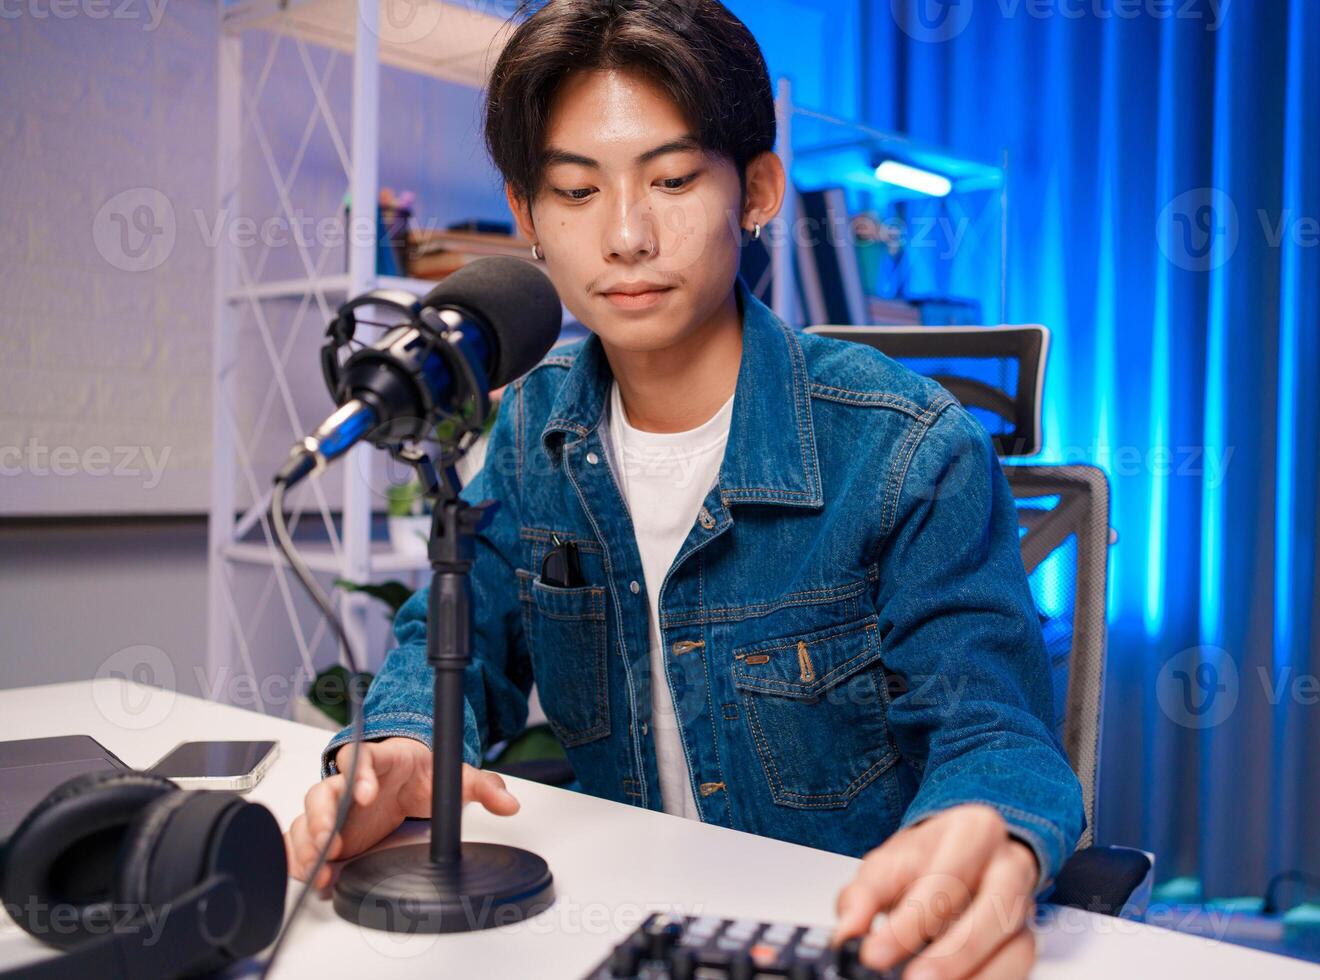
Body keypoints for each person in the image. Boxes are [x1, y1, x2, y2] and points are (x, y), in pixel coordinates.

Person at [284, 2, 1084, 976]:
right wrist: (405, 742)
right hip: (627, 932)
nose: (625, 236)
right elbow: (457, 635)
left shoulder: (910, 449)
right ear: (527, 218)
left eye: (669, 180)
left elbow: (989, 727)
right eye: (576, 192)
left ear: (757, 189)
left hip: (832, 935)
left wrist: (988, 836)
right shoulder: (538, 436)